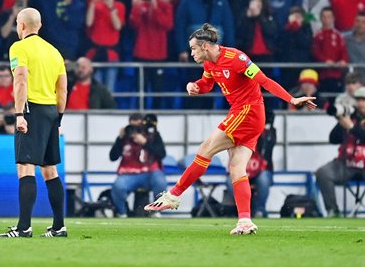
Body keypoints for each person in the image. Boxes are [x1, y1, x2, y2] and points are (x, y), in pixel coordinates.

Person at [144, 23, 316, 235]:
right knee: (236, 168)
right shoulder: (209, 64)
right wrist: (194, 86)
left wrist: (292, 98)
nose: (191, 53)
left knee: (206, 148)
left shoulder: (237, 59)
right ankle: (245, 221)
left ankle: (173, 195)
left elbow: (264, 80)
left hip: (248, 111)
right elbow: (206, 85)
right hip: (243, 113)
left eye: (194, 49)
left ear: (206, 46)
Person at [0, 8, 67, 238]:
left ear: (22, 26)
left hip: (31, 110)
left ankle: (24, 227)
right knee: (50, 170)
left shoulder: (19, 47)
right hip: (51, 112)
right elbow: (63, 89)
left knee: (25, 167)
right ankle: (59, 226)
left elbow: (20, 79)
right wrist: (58, 118)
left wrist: (19, 114)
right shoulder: (54, 52)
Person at [316, 86, 365, 217]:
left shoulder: (353, 123)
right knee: (323, 173)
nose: (360, 103)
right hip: (347, 163)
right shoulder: (352, 116)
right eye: (358, 100)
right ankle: (333, 210)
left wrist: (352, 127)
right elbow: (333, 139)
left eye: (363, 100)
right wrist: (340, 121)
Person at [110, 113, 167, 217]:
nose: (135, 129)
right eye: (133, 125)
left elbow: (162, 154)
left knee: (160, 182)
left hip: (150, 172)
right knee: (118, 186)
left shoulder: (153, 135)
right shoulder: (125, 137)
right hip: (129, 173)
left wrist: (145, 142)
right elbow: (113, 157)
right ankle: (122, 213)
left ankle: (156, 210)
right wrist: (120, 138)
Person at [225, 108, 276, 218]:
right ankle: (237, 210)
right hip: (242, 167)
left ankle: (260, 210)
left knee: (264, 179)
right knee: (230, 181)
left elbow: (268, 147)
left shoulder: (268, 133)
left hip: (261, 170)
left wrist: (266, 128)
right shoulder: (238, 129)